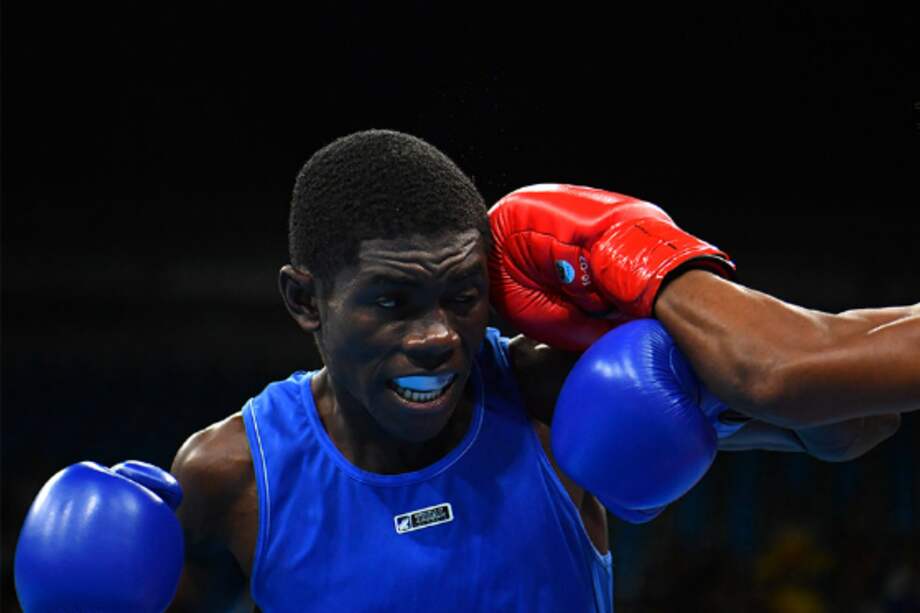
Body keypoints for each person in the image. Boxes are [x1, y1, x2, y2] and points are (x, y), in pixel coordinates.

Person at [15, 129, 917, 611]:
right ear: (305, 300)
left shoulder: (550, 392)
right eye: (394, 302)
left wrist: (654, 281)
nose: (441, 336)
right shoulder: (229, 474)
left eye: (462, 294)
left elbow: (844, 424)